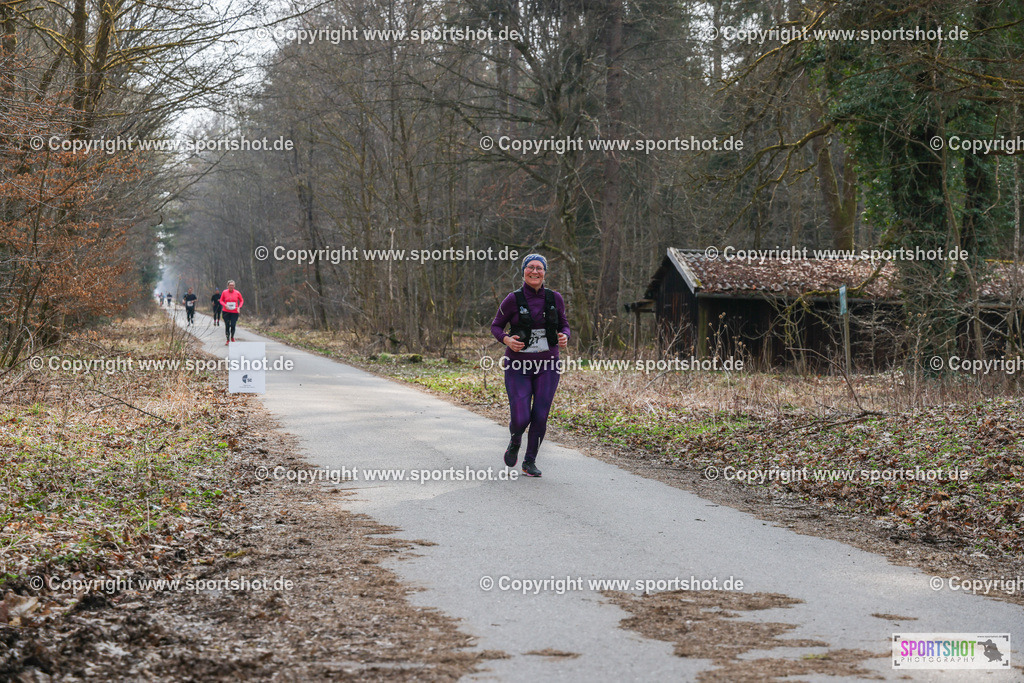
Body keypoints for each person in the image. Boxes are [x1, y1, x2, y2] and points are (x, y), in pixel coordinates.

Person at [490, 254, 569, 478]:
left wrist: (565, 336)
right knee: (521, 417)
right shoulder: (512, 299)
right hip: (518, 367)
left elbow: (564, 325)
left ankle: (529, 461)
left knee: (541, 415)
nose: (535, 271)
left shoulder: (555, 298)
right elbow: (496, 326)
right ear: (523, 271)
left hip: (548, 366)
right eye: (530, 267)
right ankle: (515, 439)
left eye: (539, 268)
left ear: (545, 272)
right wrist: (507, 340)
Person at [218, 280, 244, 344]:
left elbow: (241, 300)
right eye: (230, 285)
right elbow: (221, 300)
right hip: (226, 311)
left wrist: (239, 307)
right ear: (228, 286)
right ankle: (227, 339)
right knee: (227, 325)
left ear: (234, 286)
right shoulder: (224, 292)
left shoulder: (237, 293)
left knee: (233, 325)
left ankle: (232, 337)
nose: (231, 286)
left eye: (232, 285)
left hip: (234, 312)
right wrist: (225, 305)